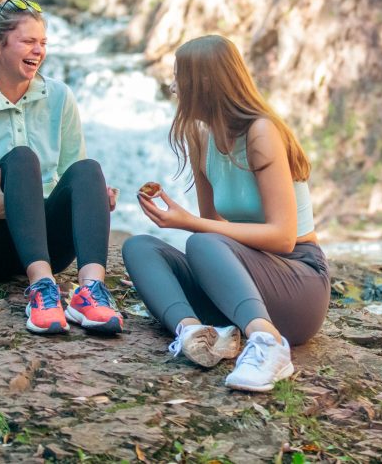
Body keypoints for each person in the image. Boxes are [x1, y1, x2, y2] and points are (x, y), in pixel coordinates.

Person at [123, 35, 329, 392]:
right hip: (241, 282)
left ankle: (268, 344)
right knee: (139, 247)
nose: (173, 88)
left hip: (299, 283)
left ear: (204, 84)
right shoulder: (200, 136)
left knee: (202, 241)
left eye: (179, 78)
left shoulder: (261, 131)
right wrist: (187, 218)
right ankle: (196, 336)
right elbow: (214, 224)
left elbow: (282, 237)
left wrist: (189, 223)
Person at [0, 0, 123, 336]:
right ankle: (41, 290)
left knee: (89, 171)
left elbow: (69, 173)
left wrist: (91, 200)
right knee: (22, 158)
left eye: (43, 43)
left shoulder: (60, 96)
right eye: (28, 42)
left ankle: (90, 292)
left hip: (49, 244)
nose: (39, 51)